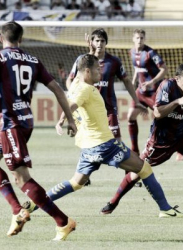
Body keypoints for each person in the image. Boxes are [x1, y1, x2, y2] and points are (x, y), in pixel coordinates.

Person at [22, 54, 181, 219]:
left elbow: (76, 84)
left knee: (76, 183)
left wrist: (64, 120)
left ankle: (36, 202)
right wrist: (66, 119)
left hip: (88, 147)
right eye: (98, 69)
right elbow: (72, 104)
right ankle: (165, 209)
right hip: (104, 144)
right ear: (88, 72)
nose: (101, 72)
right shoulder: (86, 89)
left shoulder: (77, 84)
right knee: (144, 168)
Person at [0, 21, 77, 241]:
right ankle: (17, 210)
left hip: (13, 123)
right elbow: (57, 89)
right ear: (21, 38)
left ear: (1, 38)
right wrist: (70, 119)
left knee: (21, 178)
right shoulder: (33, 59)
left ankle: (63, 221)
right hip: (25, 120)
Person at [101, 63, 183, 214]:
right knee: (138, 171)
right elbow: (157, 113)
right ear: (177, 79)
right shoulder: (167, 86)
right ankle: (113, 202)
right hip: (161, 139)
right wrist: (177, 102)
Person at [66, 28, 147, 186]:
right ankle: (85, 174)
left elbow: (126, 81)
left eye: (102, 41)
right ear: (92, 42)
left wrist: (136, 100)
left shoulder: (114, 61)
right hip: (87, 111)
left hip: (109, 109)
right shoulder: (82, 61)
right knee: (87, 140)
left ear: (106, 43)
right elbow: (70, 80)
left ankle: (130, 176)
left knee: (117, 142)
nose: (99, 44)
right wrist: (72, 95)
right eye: (96, 40)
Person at [127, 29, 168, 156]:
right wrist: (134, 80)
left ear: (144, 39)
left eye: (142, 38)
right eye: (137, 38)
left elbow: (164, 69)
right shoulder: (132, 52)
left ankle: (179, 150)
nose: (139, 40)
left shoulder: (150, 53)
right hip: (140, 92)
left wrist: (152, 82)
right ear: (133, 39)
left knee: (165, 119)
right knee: (130, 117)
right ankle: (135, 150)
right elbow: (137, 68)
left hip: (153, 92)